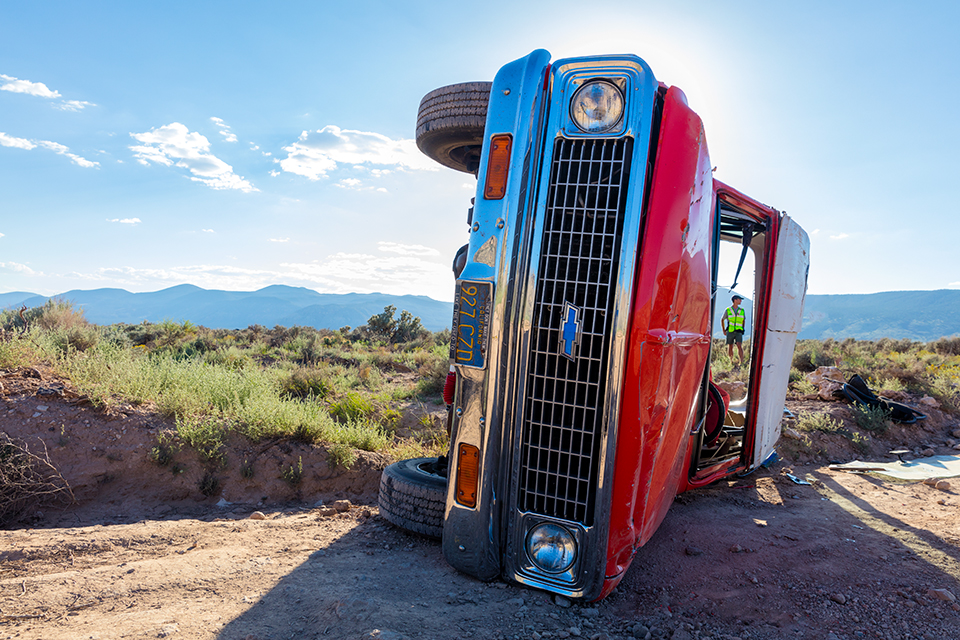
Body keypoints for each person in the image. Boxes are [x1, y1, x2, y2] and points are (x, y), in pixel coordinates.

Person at [722, 294, 746, 366]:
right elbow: (722, 319)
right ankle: (731, 361)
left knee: (739, 345)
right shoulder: (728, 310)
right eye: (739, 299)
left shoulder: (742, 310)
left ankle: (741, 362)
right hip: (730, 330)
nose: (741, 301)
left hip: (739, 331)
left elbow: (743, 320)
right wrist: (724, 330)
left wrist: (743, 328)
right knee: (730, 346)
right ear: (735, 300)